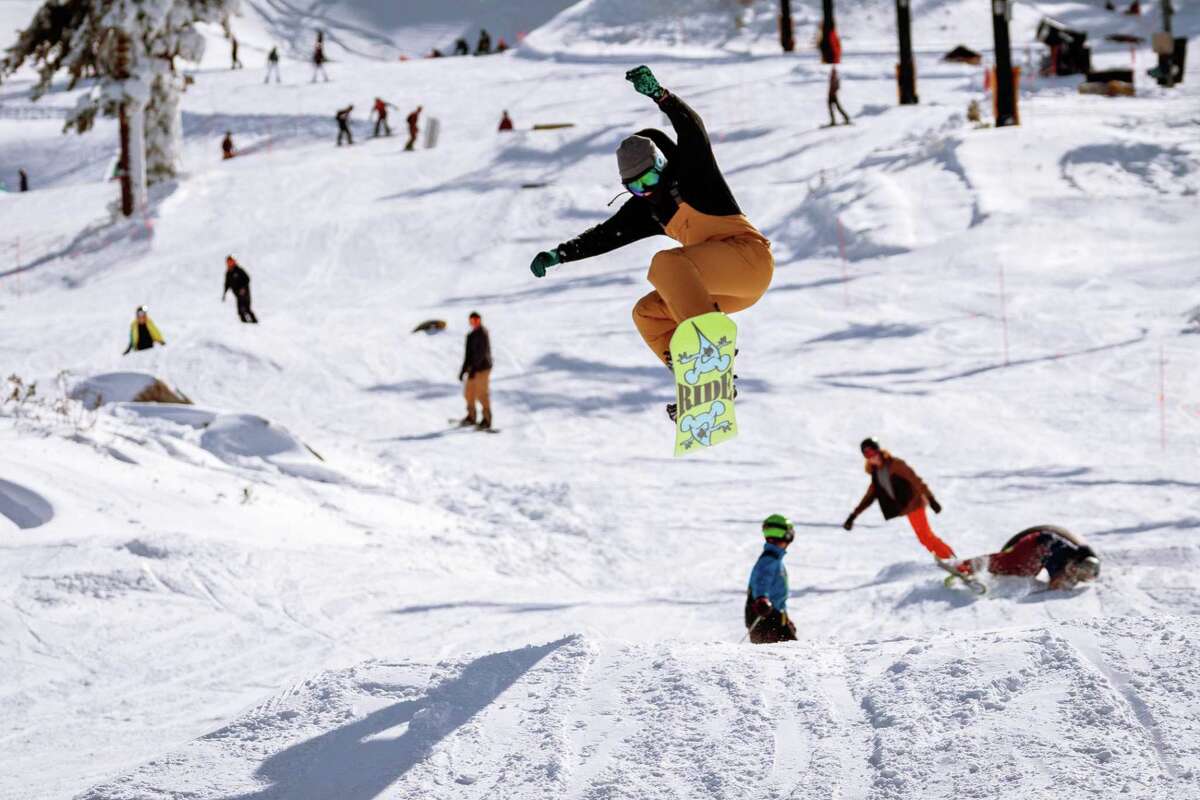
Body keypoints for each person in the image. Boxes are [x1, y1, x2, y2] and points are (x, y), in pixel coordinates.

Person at [528, 66, 774, 421]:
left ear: (661, 164)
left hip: (748, 262)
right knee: (647, 314)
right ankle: (695, 381)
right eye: (636, 188)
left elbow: (693, 129)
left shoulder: (692, 170)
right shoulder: (646, 209)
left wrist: (661, 96)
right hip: (722, 291)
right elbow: (603, 236)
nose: (646, 192)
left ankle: (711, 367)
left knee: (666, 263)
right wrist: (558, 254)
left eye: (649, 181)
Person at [842, 438, 957, 560]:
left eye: (872, 452)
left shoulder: (895, 464)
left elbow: (916, 480)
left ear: (878, 450)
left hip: (914, 502)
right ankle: (951, 560)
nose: (871, 457)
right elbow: (868, 497)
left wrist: (931, 499)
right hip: (907, 508)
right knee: (924, 538)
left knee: (926, 536)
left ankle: (951, 560)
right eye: (867, 454)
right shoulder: (876, 474)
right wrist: (853, 516)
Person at [954, 526, 1100, 590]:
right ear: (1078, 562)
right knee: (1015, 565)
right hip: (1035, 544)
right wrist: (1058, 581)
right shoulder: (1067, 554)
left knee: (1020, 569)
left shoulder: (1068, 560)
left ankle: (974, 568)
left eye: (1080, 576)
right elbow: (1055, 575)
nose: (1074, 573)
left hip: (1037, 546)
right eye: (1078, 570)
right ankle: (966, 566)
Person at [745, 515, 798, 644]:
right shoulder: (769, 560)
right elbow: (762, 580)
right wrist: (762, 598)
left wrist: (786, 618)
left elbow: (777, 598)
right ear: (787, 535)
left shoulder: (774, 559)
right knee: (779, 656)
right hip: (764, 616)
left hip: (773, 615)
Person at [458, 311, 493, 429]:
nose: (474, 323)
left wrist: (474, 368)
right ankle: (471, 416)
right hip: (472, 369)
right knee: (469, 393)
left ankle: (487, 419)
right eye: (472, 321)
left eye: (476, 320)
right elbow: (468, 355)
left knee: (481, 394)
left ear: (480, 320)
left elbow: (481, 353)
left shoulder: (483, 333)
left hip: (482, 368)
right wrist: (463, 370)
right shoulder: (471, 335)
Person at [222, 255, 258, 323]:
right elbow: (227, 284)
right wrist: (224, 293)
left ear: (233, 262)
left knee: (247, 309)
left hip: (245, 293)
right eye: (228, 263)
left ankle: (255, 322)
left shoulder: (239, 270)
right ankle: (245, 324)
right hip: (237, 294)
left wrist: (243, 288)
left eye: (231, 262)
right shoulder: (228, 273)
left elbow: (247, 278)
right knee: (240, 311)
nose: (230, 264)